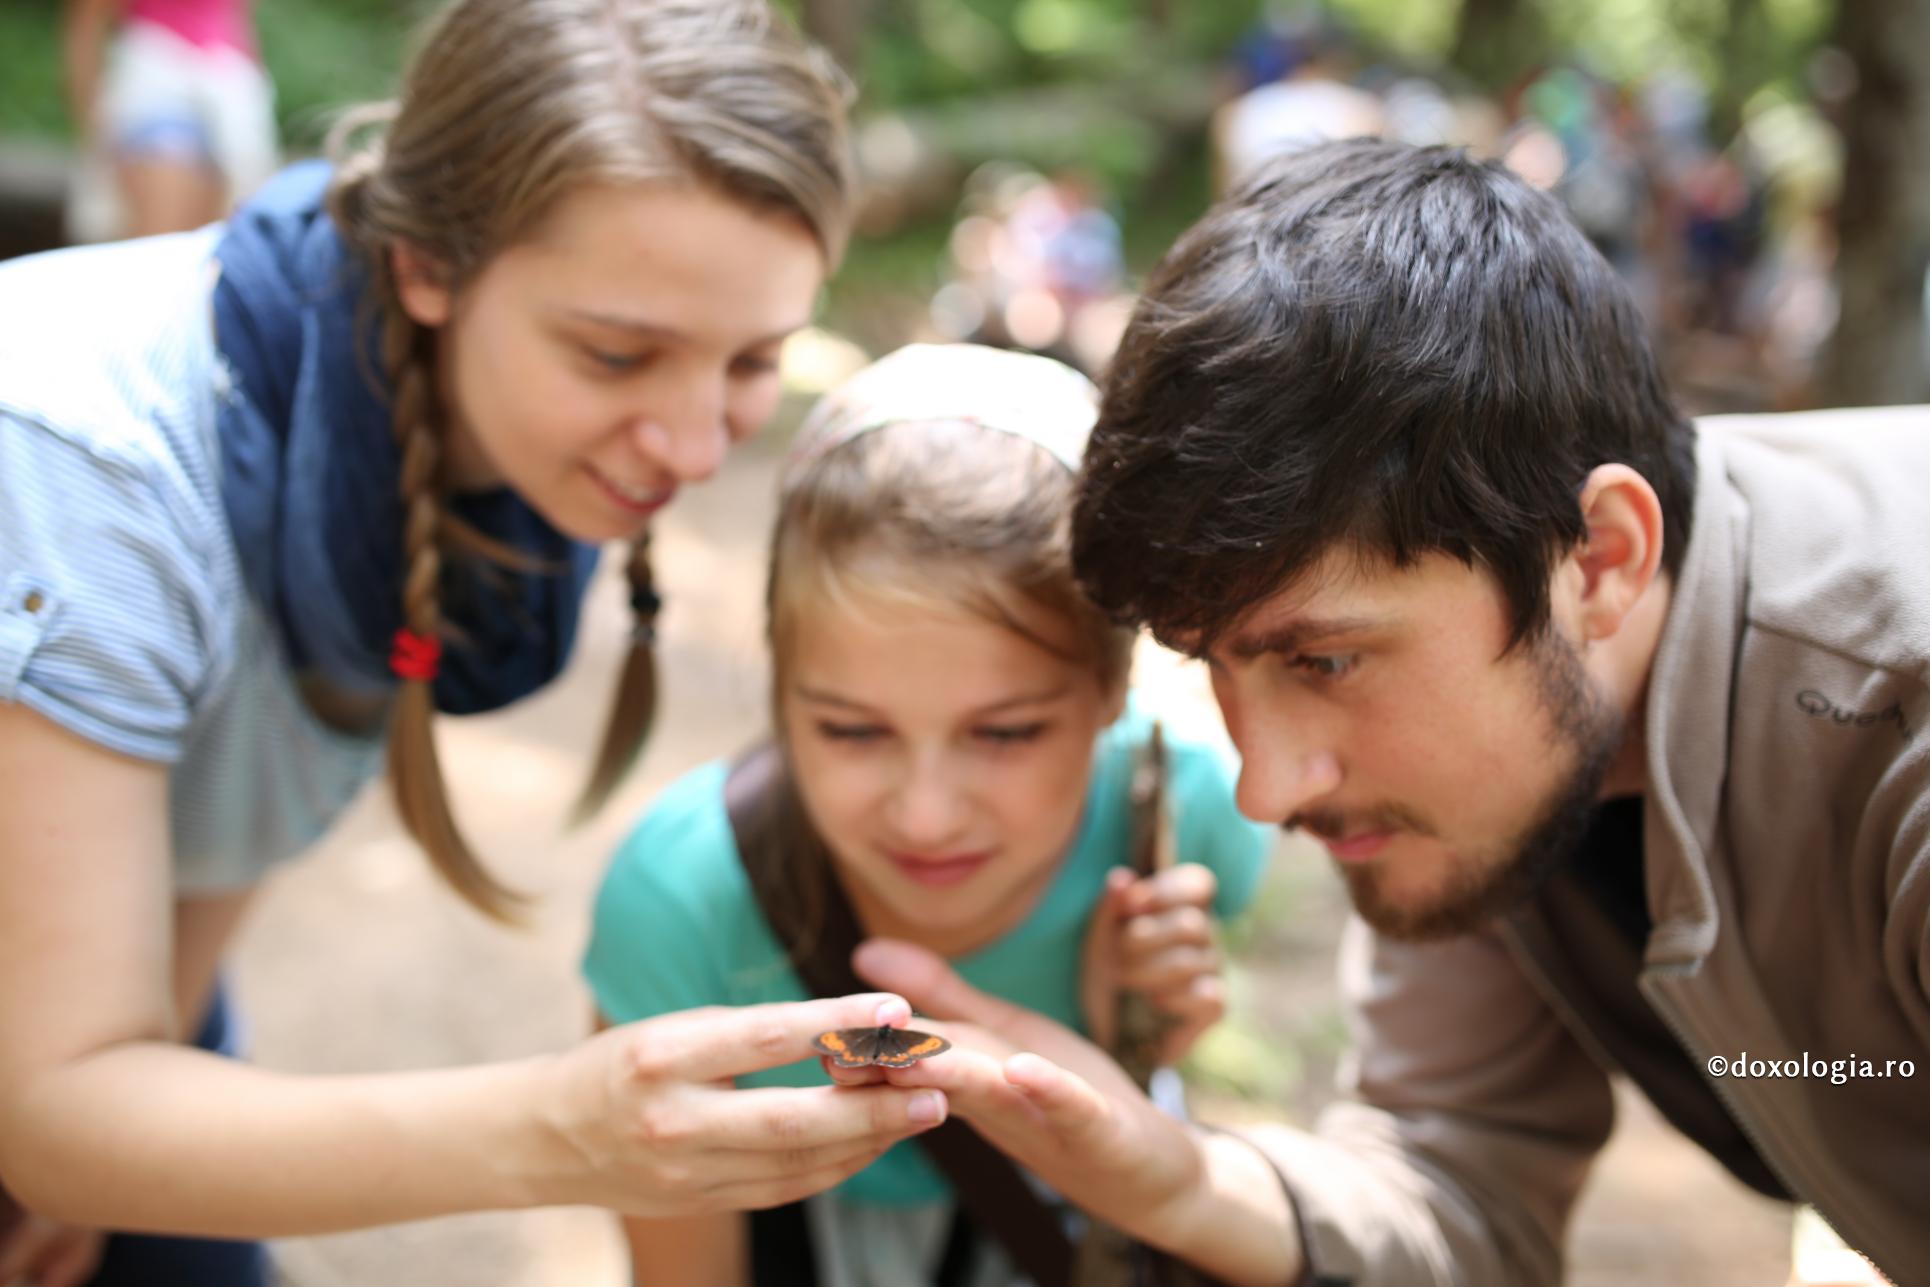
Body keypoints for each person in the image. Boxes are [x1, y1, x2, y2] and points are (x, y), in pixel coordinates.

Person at [845, 139, 1928, 1287]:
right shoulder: (1501, 740)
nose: (1264, 789)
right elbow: (1460, 1176)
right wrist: (1183, 1182)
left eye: (1321, 661)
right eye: (1213, 663)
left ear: (1601, 559)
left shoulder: (1896, 721)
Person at [0, 3, 950, 1285]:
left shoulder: (378, 430)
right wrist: (569, 1132)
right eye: (619, 354)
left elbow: (214, 814)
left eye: (752, 360)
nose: (693, 444)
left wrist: (119, 1123)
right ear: (427, 267)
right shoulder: (87, 470)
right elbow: (54, 1113)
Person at [582, 343, 1272, 1285]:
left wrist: (1138, 1040)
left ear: (1114, 689)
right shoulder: (681, 901)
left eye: (1007, 733)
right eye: (853, 731)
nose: (927, 814)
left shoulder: (1191, 819)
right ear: (782, 691)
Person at [62, 0, 279, 239]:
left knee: (218, 253)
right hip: (159, 93)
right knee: (158, 252)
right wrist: (95, 136)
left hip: (232, 103)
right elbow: (86, 28)